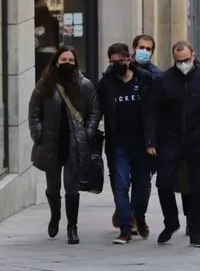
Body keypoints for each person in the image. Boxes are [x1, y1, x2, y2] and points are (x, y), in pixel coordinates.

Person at [150, 41, 200, 248]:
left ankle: (196, 231)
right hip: (171, 140)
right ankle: (171, 221)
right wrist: (154, 139)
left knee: (199, 187)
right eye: (179, 61)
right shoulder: (165, 80)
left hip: (197, 140)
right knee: (163, 182)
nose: (183, 64)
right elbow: (155, 111)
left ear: (193, 55)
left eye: (186, 59)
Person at [29, 46, 100, 245]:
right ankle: (55, 216)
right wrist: (38, 133)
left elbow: (95, 111)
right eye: (63, 59)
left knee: (71, 188)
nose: (67, 62)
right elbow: (34, 110)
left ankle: (72, 227)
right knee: (52, 187)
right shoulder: (45, 84)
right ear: (56, 62)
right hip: (51, 143)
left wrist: (88, 132)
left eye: (71, 59)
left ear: (75, 62)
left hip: (74, 144)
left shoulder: (85, 85)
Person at [98, 43, 157, 243]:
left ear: (128, 58)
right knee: (121, 185)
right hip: (118, 143)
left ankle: (138, 217)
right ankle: (125, 227)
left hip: (142, 143)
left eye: (120, 61)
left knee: (143, 187)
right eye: (112, 62)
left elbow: (152, 112)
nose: (117, 65)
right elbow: (97, 110)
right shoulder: (107, 82)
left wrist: (152, 140)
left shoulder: (145, 79)